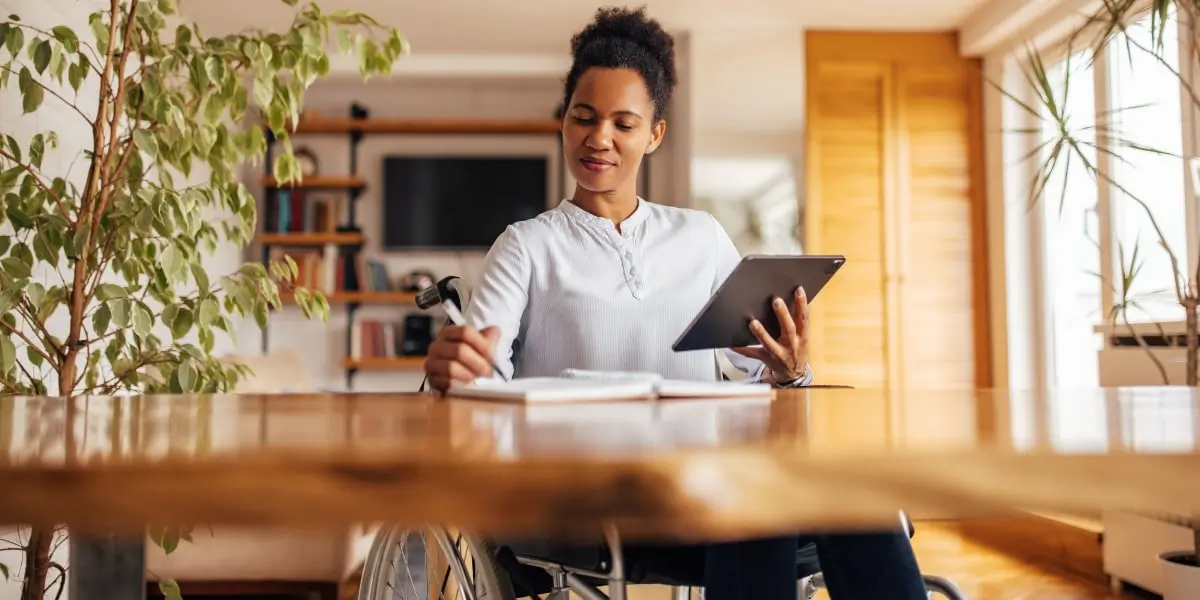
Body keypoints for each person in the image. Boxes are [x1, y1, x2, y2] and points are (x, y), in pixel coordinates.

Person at [422, 6, 929, 599]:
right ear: (564, 122)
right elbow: (479, 384)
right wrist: (457, 377)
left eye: (623, 123)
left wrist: (789, 371)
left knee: (847, 487)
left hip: (704, 485)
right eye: (583, 117)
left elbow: (752, 378)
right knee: (755, 496)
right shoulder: (527, 246)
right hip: (583, 499)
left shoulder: (702, 236)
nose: (599, 138)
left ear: (655, 133)